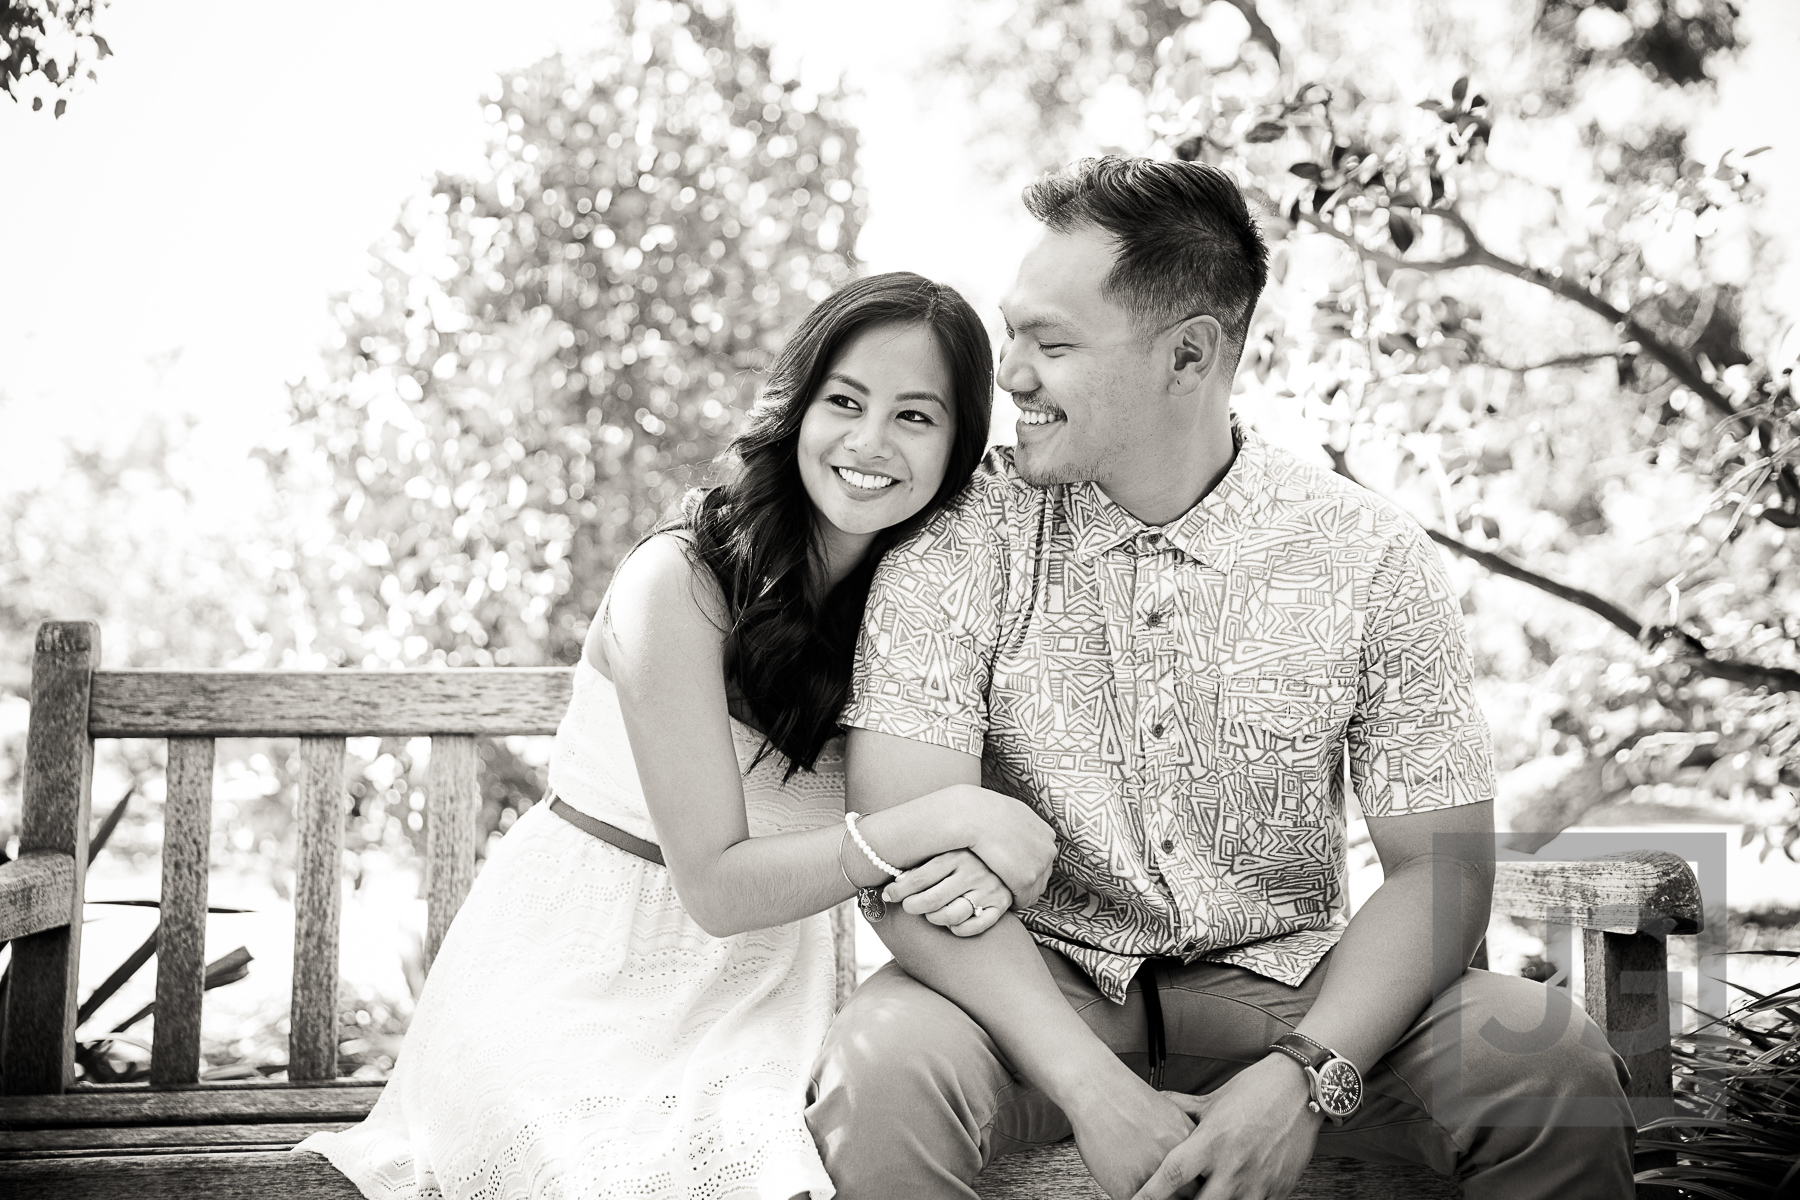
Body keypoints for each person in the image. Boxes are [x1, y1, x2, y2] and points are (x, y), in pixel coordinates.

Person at [806, 159, 1637, 1200]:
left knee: (1553, 1063)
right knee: (877, 1070)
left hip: (1299, 989)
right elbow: (903, 859)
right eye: (1012, 331)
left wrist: (1304, 1076)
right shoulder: (956, 541)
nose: (1007, 373)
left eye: (1051, 343)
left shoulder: (1365, 552)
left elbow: (1445, 873)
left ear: (1189, 355)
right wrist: (1091, 1087)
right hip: (1029, 989)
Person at [299, 272, 1058, 1200]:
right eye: (845, 402)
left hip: (761, 992)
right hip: (573, 974)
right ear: (797, 408)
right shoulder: (681, 580)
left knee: (811, 1143)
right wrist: (944, 818)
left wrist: (990, 847)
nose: (869, 443)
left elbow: (986, 836)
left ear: (956, 446)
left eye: (915, 417)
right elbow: (717, 886)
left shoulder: (924, 609)